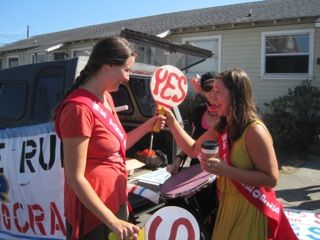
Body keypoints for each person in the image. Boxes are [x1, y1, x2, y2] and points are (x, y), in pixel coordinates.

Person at [52, 37, 165, 240]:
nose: (128, 78)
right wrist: (112, 221)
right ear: (107, 65)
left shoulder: (106, 97)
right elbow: (75, 178)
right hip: (95, 213)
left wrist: (148, 126)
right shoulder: (78, 109)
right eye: (127, 70)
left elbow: (118, 146)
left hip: (116, 200)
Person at [164, 68, 297, 239]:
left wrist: (226, 170)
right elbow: (192, 149)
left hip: (249, 208)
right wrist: (173, 122)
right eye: (211, 91)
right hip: (226, 206)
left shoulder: (254, 131)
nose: (212, 96)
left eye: (218, 92)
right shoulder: (223, 126)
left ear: (235, 96)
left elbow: (271, 179)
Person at [166, 72, 219, 174]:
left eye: (216, 89)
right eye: (208, 88)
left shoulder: (227, 115)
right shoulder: (200, 111)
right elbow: (193, 140)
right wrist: (180, 158)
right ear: (202, 91)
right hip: (195, 170)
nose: (213, 93)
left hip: (218, 172)